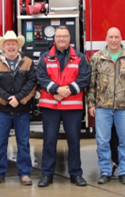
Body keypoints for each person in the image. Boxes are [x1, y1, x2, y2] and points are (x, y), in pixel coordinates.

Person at [36, 25, 91, 187]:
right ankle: (47, 175)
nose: (61, 39)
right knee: (49, 141)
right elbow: (41, 77)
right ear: (54, 39)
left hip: (72, 108)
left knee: (74, 142)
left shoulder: (80, 58)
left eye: (64, 36)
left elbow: (84, 78)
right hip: (50, 107)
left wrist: (66, 91)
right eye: (59, 36)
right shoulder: (45, 57)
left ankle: (76, 174)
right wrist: (56, 90)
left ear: (69, 38)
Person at [87, 27, 125, 185]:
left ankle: (124, 171)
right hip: (102, 107)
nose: (113, 40)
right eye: (110, 37)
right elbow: (91, 84)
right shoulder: (98, 57)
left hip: (124, 107)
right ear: (106, 39)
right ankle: (105, 171)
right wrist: (91, 104)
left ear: (121, 38)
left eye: (116, 37)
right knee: (102, 141)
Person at [0, 31, 37, 186]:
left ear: (18, 45)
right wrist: (8, 99)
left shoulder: (28, 62)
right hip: (3, 110)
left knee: (23, 142)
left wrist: (19, 98)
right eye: (8, 44)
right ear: (3, 46)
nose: (11, 47)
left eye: (13, 44)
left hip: (21, 110)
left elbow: (32, 83)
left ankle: (25, 173)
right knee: (0, 142)